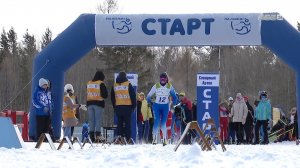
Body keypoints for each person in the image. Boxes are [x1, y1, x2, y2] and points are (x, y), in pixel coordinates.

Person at [146, 72, 178, 146]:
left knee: (163, 123)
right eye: (161, 78)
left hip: (165, 107)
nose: (162, 80)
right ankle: (154, 139)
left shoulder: (169, 86)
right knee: (156, 122)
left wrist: (173, 104)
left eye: (164, 78)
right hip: (156, 106)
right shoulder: (156, 86)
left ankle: (164, 139)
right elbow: (148, 95)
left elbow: (175, 97)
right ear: (159, 79)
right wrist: (149, 102)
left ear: (166, 79)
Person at [111, 71, 136, 142]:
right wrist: (134, 106)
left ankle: (119, 139)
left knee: (119, 124)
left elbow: (112, 97)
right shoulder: (128, 84)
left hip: (118, 107)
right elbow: (133, 96)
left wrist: (114, 106)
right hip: (127, 107)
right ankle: (128, 139)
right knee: (128, 124)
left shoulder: (115, 85)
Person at [87, 70, 108, 142]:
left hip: (89, 104)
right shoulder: (101, 83)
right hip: (98, 104)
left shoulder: (89, 83)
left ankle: (91, 136)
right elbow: (105, 95)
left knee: (91, 120)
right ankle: (98, 135)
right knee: (98, 120)